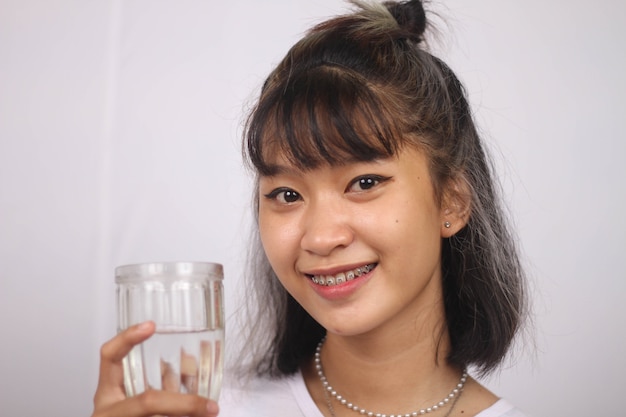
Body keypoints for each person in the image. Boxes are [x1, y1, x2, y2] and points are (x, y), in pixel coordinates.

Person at [91, 1, 529, 416]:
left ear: (451, 200)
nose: (320, 238)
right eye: (287, 195)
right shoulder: (209, 409)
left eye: (364, 183)